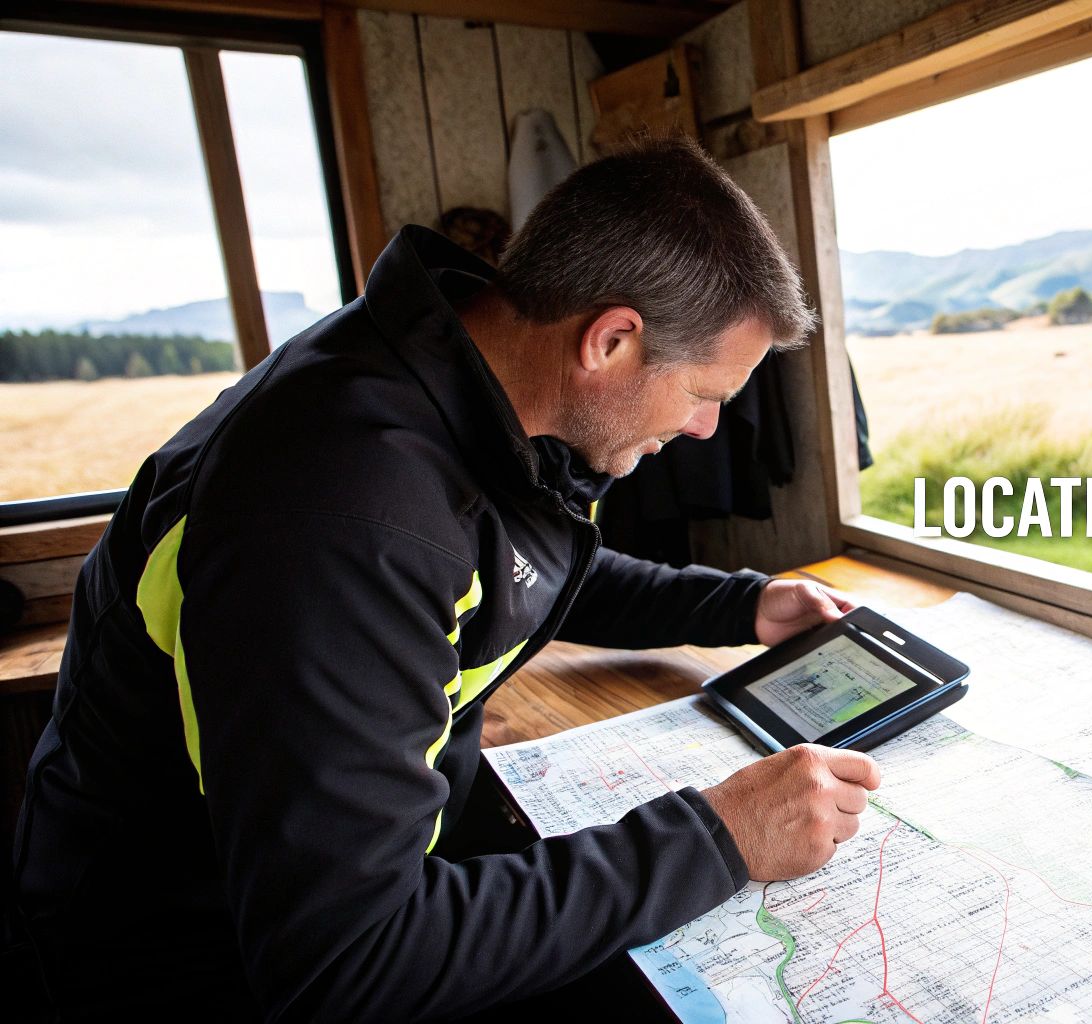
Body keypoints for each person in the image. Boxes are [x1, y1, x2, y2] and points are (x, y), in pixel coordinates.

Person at [10, 137, 883, 1021]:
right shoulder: (339, 509)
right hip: (180, 958)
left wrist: (739, 603)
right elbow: (350, 960)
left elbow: (513, 565)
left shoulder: (449, 376)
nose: (704, 428)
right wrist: (719, 837)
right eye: (705, 391)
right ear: (612, 340)